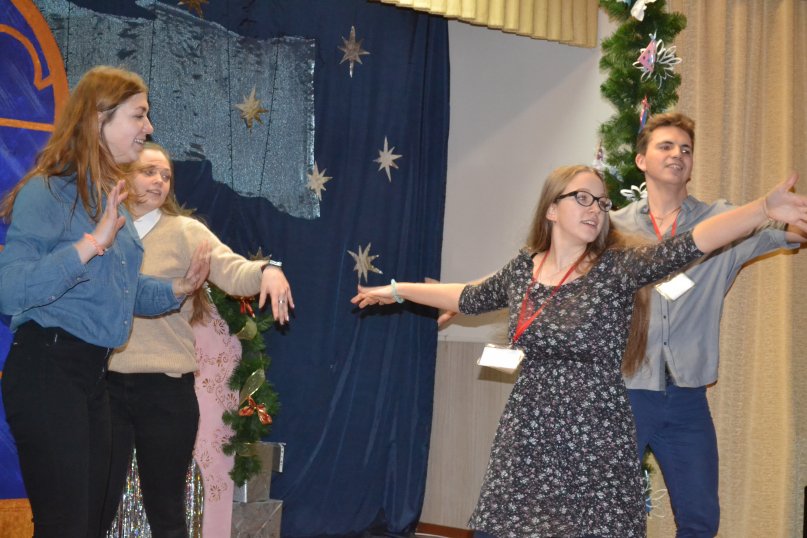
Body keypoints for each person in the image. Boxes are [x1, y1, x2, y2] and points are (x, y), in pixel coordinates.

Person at [351, 164, 807, 537]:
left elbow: (693, 242)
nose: (596, 209)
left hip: (595, 433)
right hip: (529, 429)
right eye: (583, 198)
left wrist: (762, 209)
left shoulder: (617, 269)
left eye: (602, 203)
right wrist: (397, 290)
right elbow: (467, 296)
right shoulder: (524, 268)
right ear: (552, 209)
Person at [0, 66, 210, 538]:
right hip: (48, 369)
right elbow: (9, 289)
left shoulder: (109, 202)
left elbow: (124, 290)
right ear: (99, 118)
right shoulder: (48, 190)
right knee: (66, 526)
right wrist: (91, 243)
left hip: (95, 379)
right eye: (139, 115)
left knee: (92, 526)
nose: (148, 127)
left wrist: (179, 289)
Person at [609, 112, 806, 537]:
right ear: (641, 160)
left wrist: (794, 217)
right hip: (623, 393)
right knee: (607, 515)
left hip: (687, 398)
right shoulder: (612, 228)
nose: (677, 154)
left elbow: (787, 232)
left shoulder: (723, 221)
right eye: (665, 146)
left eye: (686, 149)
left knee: (700, 520)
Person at [99, 142, 293, 538]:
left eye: (166, 176)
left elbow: (234, 271)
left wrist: (269, 269)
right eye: (148, 171)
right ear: (123, 176)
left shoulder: (185, 232)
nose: (159, 181)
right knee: (95, 503)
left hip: (165, 389)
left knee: (165, 508)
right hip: (103, 386)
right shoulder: (103, 228)